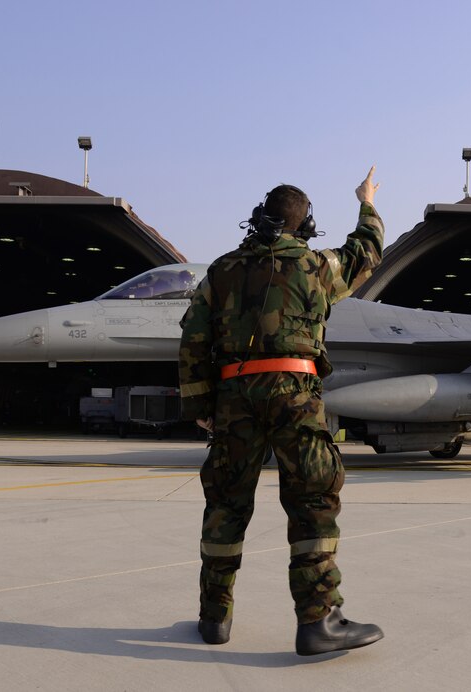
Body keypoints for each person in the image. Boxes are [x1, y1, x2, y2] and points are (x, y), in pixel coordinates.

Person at [178, 166, 384, 655]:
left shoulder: (221, 271)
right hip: (295, 393)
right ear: (305, 224)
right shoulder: (316, 266)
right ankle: (318, 620)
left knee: (226, 503)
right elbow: (366, 251)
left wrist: (201, 404)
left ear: (259, 217)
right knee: (312, 499)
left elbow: (192, 336)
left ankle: (214, 618)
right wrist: (367, 201)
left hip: (234, 397)